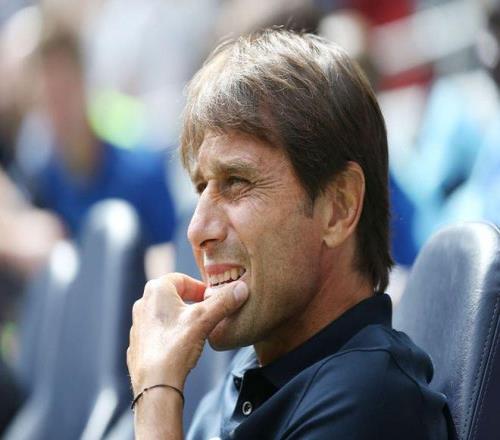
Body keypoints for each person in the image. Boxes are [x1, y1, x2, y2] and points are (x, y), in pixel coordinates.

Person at [127, 29, 450, 439]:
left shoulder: (375, 400)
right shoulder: (252, 374)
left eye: (237, 182)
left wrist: (156, 392)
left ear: (339, 207)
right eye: (201, 187)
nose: (197, 229)